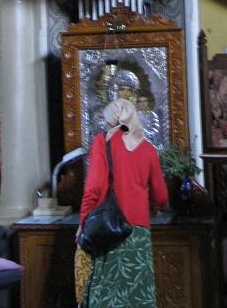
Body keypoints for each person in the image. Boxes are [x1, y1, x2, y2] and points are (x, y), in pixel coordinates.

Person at [76, 98, 169, 308]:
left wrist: (83, 222)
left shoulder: (103, 142)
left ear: (111, 120)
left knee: (107, 294)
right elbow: (162, 198)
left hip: (110, 228)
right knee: (138, 294)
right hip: (139, 232)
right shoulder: (148, 149)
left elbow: (93, 188)